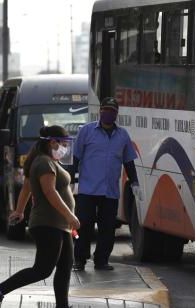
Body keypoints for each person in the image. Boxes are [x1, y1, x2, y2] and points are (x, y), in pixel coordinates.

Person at [0, 125, 80, 308]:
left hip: (59, 225)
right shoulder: (44, 162)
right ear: (52, 142)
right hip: (48, 224)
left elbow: (27, 187)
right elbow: (50, 191)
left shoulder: (44, 160)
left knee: (65, 265)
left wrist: (20, 211)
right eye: (63, 144)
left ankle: (63, 305)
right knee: (42, 270)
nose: (65, 148)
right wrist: (69, 215)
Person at [72, 97, 139, 271]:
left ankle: (101, 260)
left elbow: (129, 162)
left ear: (116, 114)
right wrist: (70, 180)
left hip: (110, 191)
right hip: (88, 189)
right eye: (105, 109)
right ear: (100, 111)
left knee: (107, 229)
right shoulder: (86, 131)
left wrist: (135, 183)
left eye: (112, 111)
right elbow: (75, 157)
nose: (108, 113)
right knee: (83, 226)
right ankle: (79, 259)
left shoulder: (123, 135)